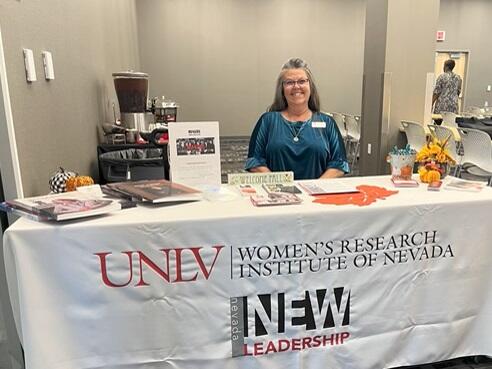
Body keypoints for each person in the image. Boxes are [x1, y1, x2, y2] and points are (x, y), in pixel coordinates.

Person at [245, 58, 349, 180]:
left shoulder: (327, 123)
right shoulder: (267, 121)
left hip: (316, 195)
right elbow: (255, 161)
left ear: (310, 86)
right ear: (282, 89)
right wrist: (282, 187)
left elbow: (339, 163)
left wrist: (314, 187)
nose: (296, 86)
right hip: (277, 196)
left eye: (302, 81)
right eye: (289, 82)